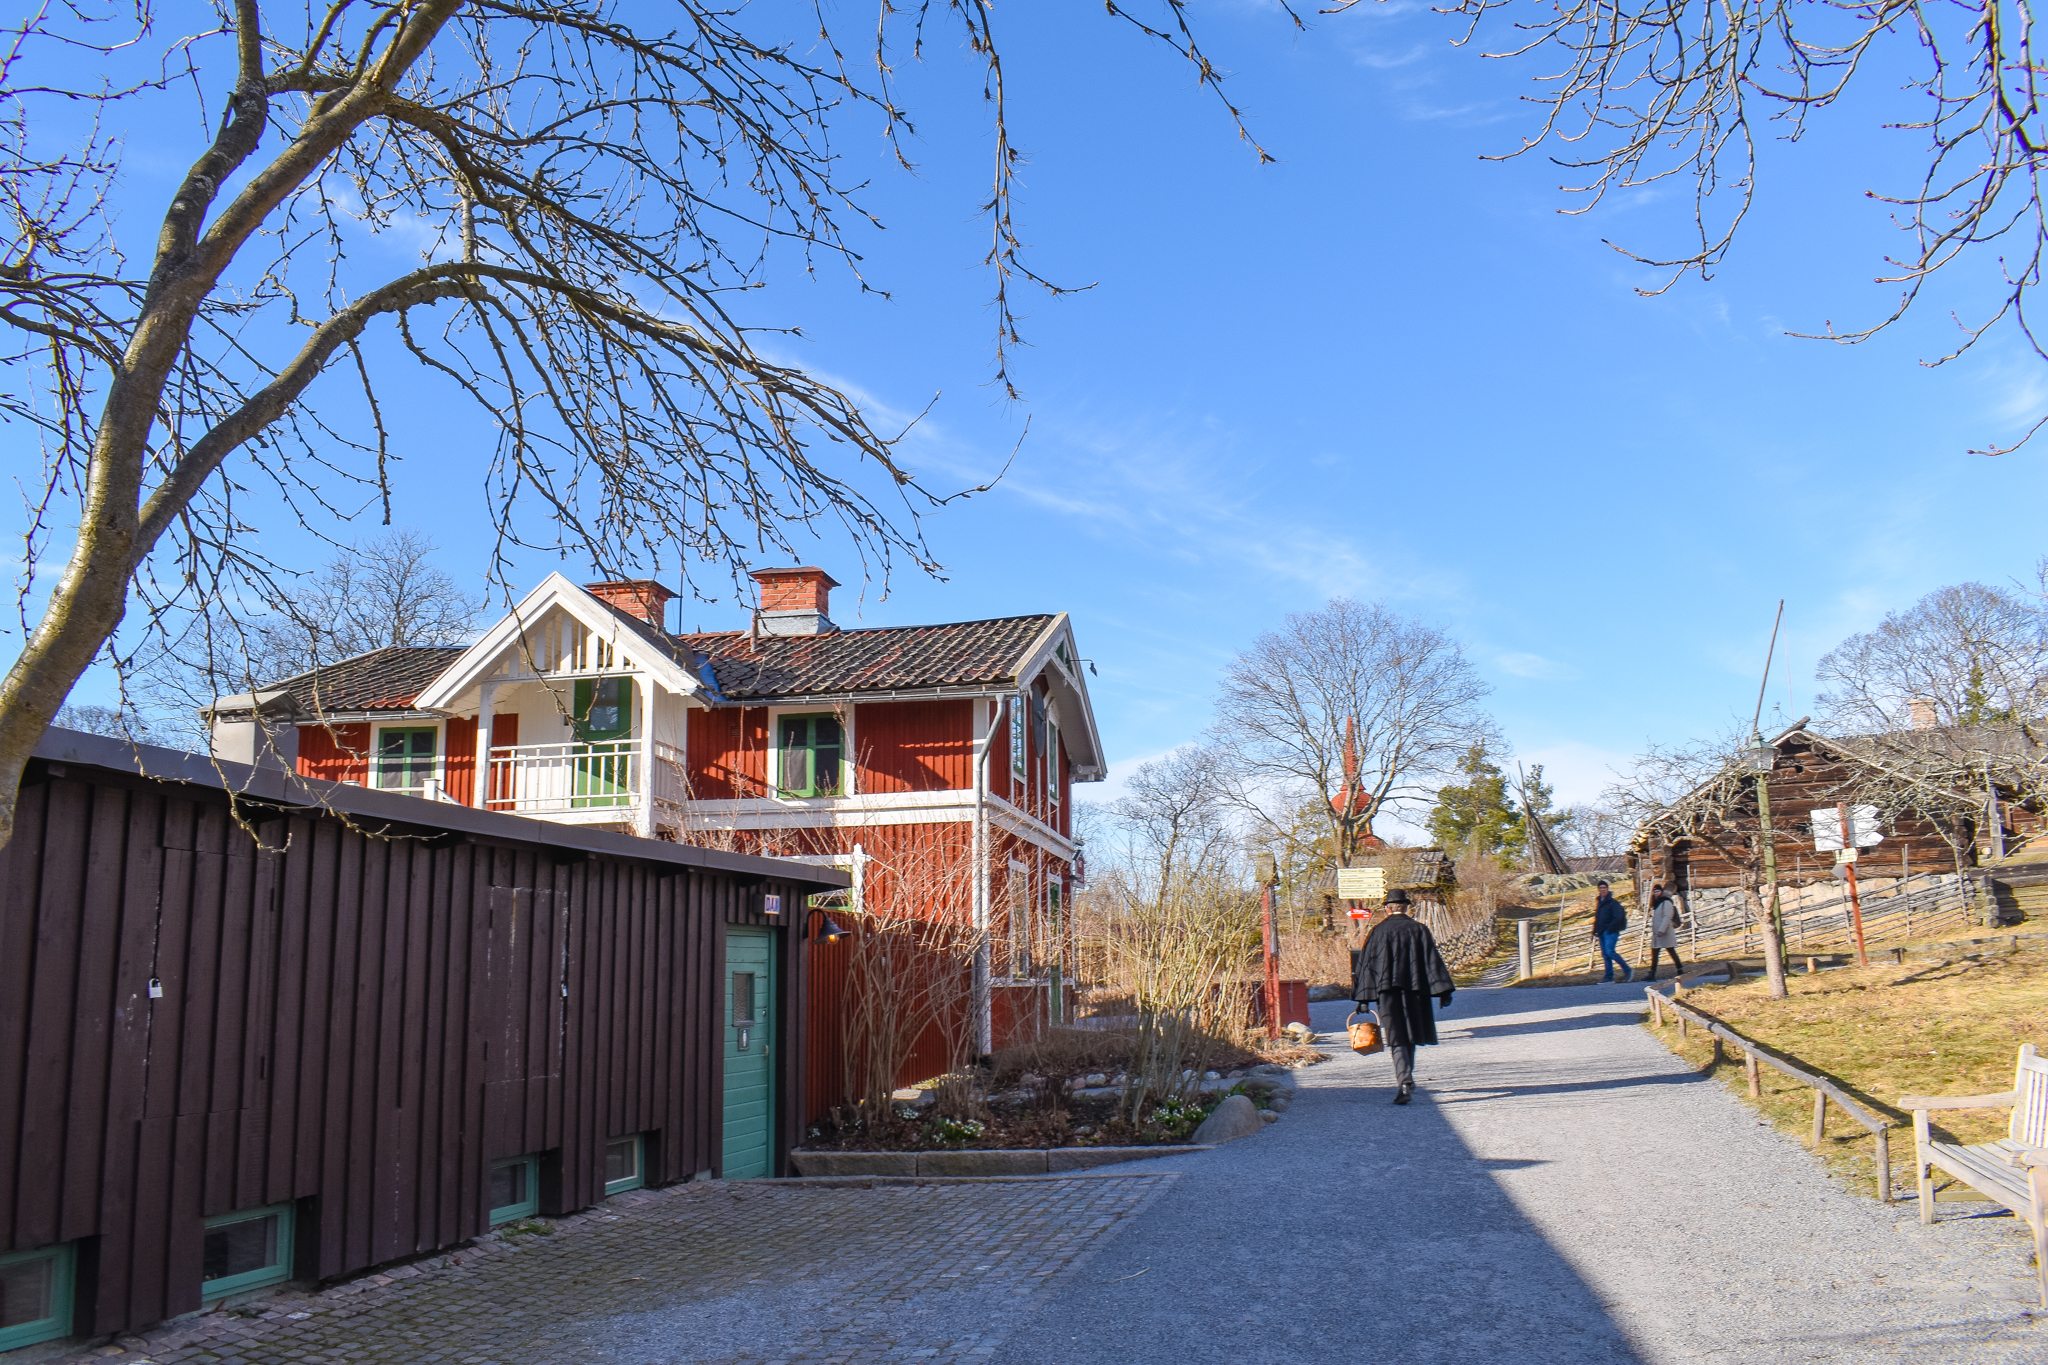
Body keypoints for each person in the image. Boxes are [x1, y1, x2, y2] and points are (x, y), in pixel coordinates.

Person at [1352, 888, 1455, 1105]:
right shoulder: (1419, 929)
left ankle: (1404, 1079)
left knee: (1396, 1035)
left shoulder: (1378, 932)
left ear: (1387, 909)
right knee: (1411, 1034)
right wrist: (1444, 991)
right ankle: (1407, 1076)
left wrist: (1363, 999)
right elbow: (1431, 962)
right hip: (1415, 991)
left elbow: (1367, 966)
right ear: (1406, 907)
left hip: (1387, 993)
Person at [1642, 883, 1685, 981]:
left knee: (1671, 951)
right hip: (1658, 933)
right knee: (1655, 953)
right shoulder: (1656, 904)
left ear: (1661, 892)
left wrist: (1662, 929)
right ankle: (1652, 974)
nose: (1656, 893)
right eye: (1655, 891)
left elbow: (1667, 916)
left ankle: (1680, 969)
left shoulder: (1666, 902)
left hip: (1665, 932)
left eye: (1658, 891)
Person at [1591, 880, 1630, 983]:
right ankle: (1609, 977)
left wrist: (1610, 929)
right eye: (1601, 888)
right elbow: (1598, 918)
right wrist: (1595, 930)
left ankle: (1627, 969)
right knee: (1605, 955)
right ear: (1598, 889)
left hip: (1610, 931)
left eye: (1604, 888)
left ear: (1607, 889)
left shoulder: (1613, 903)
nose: (1603, 890)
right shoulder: (1600, 903)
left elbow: (1618, 917)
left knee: (1610, 952)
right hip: (1601, 931)